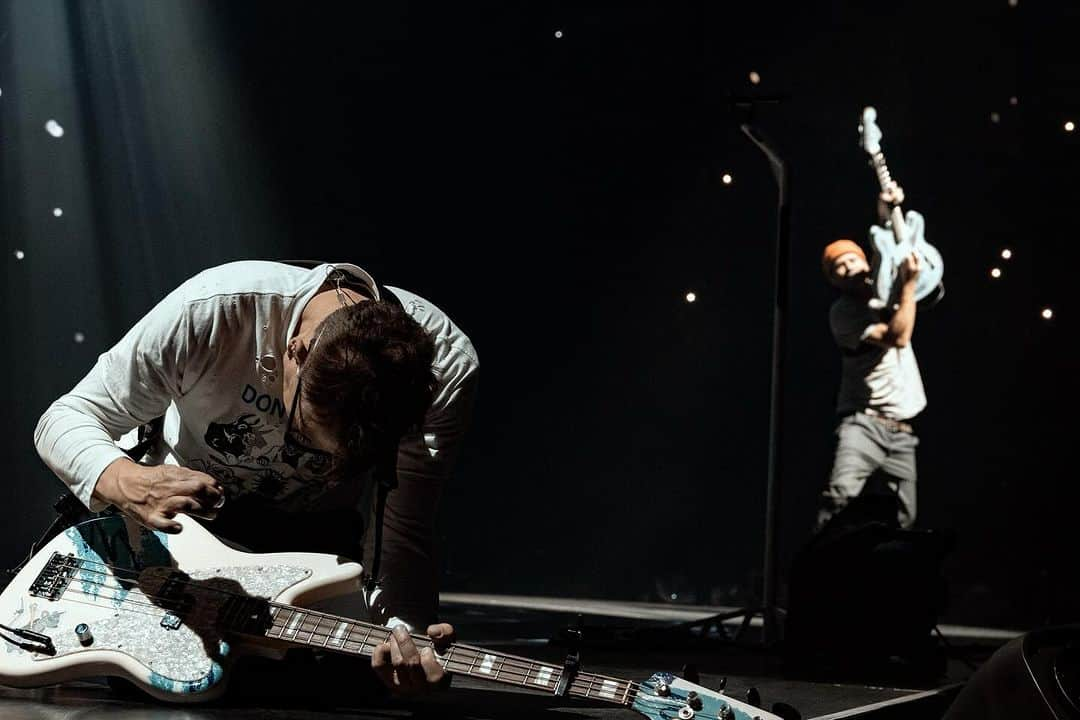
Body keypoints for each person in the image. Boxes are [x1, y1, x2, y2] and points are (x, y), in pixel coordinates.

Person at [33, 260, 479, 696]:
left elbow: (401, 526)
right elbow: (65, 417)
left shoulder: (446, 370)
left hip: (312, 539)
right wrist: (125, 479)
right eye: (308, 432)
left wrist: (406, 637)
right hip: (177, 531)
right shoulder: (214, 309)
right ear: (295, 351)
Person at [817, 182, 926, 533]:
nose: (848, 266)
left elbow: (895, 245)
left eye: (852, 259)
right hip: (862, 425)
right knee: (839, 499)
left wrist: (886, 207)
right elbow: (898, 336)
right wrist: (908, 287)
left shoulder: (887, 291)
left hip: (903, 431)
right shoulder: (844, 314)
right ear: (834, 281)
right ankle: (814, 578)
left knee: (905, 521)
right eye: (838, 267)